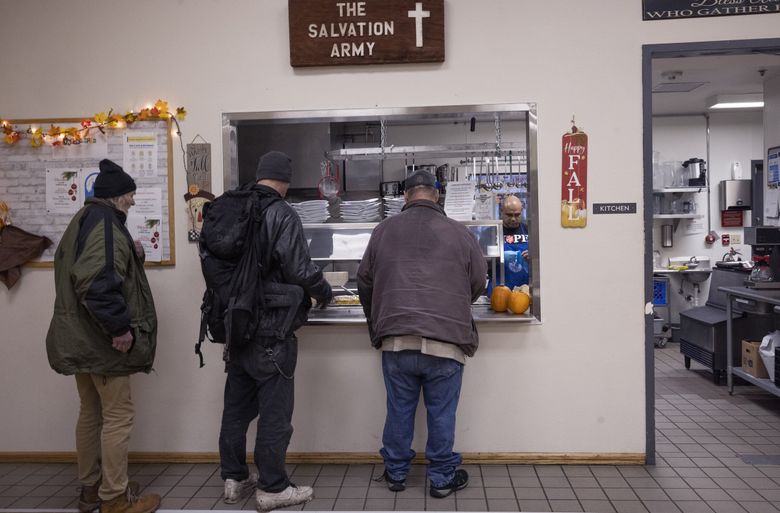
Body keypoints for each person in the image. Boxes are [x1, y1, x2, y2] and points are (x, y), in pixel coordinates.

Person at [357, 170, 487, 499]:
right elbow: (478, 282)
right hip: (446, 340)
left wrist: (378, 322)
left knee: (399, 409)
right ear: (437, 195)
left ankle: (396, 474)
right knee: (442, 413)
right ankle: (442, 478)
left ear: (405, 196)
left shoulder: (383, 231)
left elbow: (365, 282)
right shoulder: (460, 233)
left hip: (396, 340)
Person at [218, 151, 332, 511]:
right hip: (271, 328)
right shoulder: (281, 212)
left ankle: (234, 478)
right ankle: (272, 487)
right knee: (275, 414)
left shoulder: (229, 207)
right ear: (284, 179)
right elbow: (299, 268)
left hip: (234, 325)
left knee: (236, 409)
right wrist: (323, 292)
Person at [45, 159, 160, 513]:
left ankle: (92, 489)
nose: (133, 201)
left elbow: (93, 270)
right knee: (118, 415)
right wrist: (120, 330)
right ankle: (114, 498)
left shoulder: (84, 219)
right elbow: (96, 284)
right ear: (116, 196)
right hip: (102, 342)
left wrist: (134, 254)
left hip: (81, 338)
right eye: (130, 194)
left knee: (91, 412)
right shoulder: (106, 224)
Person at [487, 194, 529, 295]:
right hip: (499, 292)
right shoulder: (490, 233)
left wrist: (533, 257)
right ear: (501, 212)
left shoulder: (530, 231)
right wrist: (496, 258)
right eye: (509, 215)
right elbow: (480, 264)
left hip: (525, 291)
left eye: (517, 215)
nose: (513, 219)